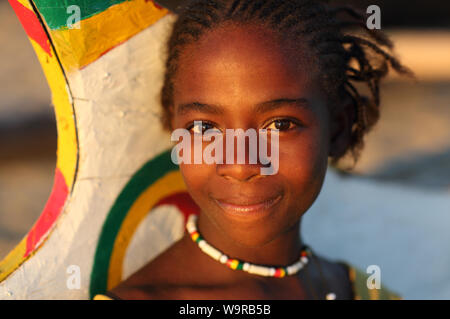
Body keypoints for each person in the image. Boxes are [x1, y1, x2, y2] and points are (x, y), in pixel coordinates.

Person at [94, 0, 412, 300]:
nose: (241, 165)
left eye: (280, 125)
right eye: (205, 128)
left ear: (338, 129)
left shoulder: (363, 290)